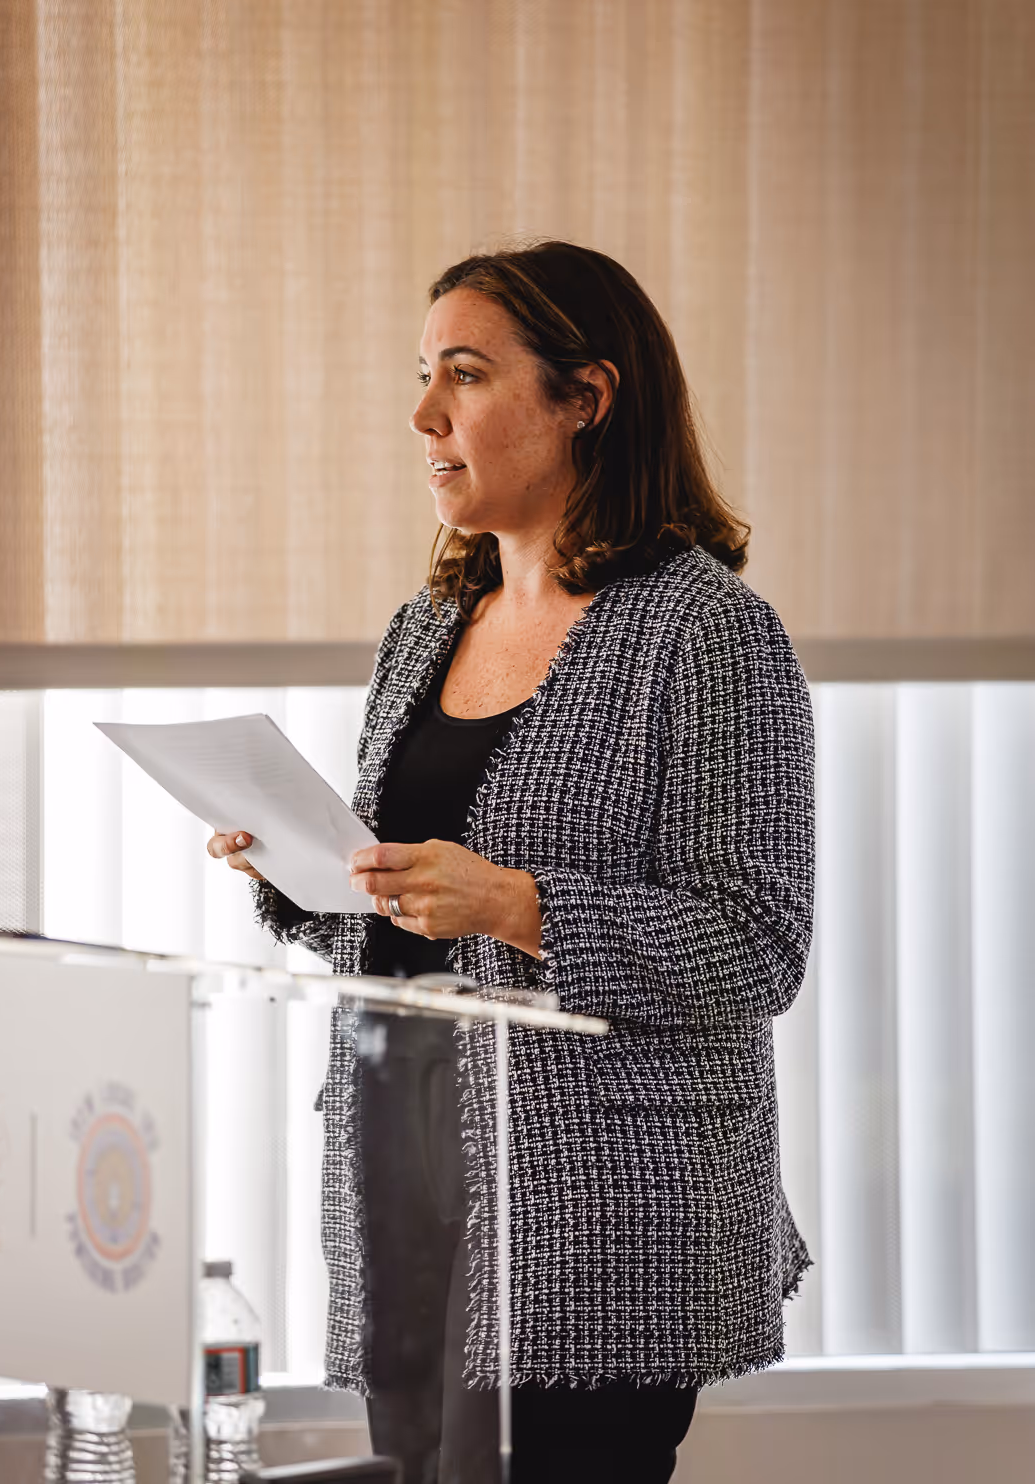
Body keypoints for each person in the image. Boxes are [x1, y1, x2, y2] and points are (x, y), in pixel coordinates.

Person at [208, 240, 815, 1484]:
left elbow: (756, 945)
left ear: (584, 398)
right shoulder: (428, 625)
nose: (425, 414)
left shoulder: (707, 634)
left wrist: (522, 904)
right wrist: (297, 871)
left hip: (604, 1229)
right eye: (425, 375)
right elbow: (408, 917)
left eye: (467, 376)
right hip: (406, 1199)